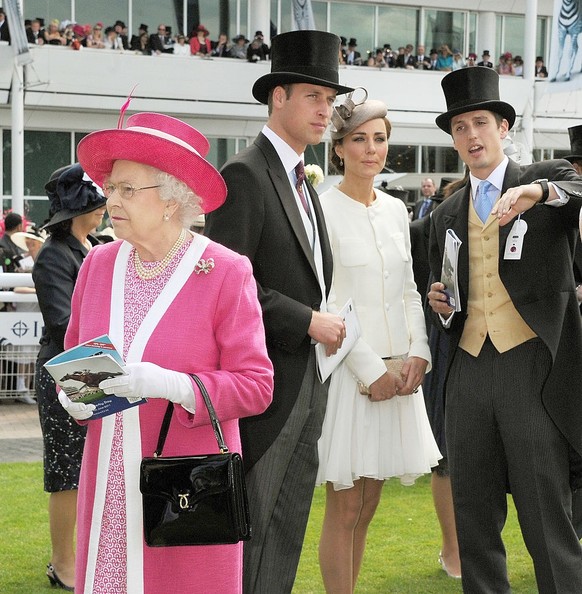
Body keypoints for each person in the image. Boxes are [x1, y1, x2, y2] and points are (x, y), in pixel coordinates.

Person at [58, 112, 274, 593]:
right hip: (107, 492)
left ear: (174, 199)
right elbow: (75, 360)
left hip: (183, 495)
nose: (109, 199)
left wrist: (173, 385)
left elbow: (257, 385)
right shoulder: (97, 263)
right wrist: (75, 398)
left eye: (127, 190)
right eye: (111, 188)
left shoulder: (225, 270)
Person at [204, 30, 352, 593]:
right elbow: (227, 284)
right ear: (278, 98)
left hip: (309, 378)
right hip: (266, 387)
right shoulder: (246, 173)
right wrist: (305, 320)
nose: (325, 111)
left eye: (330, 100)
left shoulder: (302, 178)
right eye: (313, 96)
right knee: (257, 524)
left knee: (288, 523)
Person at [427, 66, 582, 593]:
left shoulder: (547, 179)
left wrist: (538, 193)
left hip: (530, 368)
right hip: (468, 370)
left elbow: (576, 187)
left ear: (504, 128)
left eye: (481, 124)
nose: (472, 136)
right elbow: (445, 293)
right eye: (461, 127)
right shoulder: (446, 213)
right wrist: (441, 305)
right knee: (473, 515)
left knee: (545, 513)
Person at [316, 91, 441, 593]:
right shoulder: (321, 209)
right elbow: (326, 301)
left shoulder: (395, 210)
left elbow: (409, 287)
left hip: (400, 374)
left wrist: (420, 353)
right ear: (339, 148)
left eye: (380, 139)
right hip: (351, 377)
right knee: (344, 503)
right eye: (359, 140)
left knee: (369, 504)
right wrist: (373, 372)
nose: (371, 149)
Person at [33, 163, 107, 592]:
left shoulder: (92, 246)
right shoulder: (54, 255)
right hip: (67, 368)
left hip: (90, 362)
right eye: (96, 204)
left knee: (95, 461)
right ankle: (63, 564)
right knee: (66, 471)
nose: (102, 211)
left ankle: (82, 555)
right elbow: (62, 322)